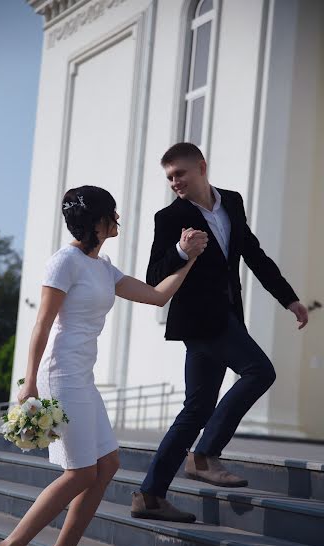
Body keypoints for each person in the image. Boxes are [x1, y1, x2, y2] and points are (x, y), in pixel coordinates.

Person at [0, 185, 208, 546]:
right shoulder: (64, 263)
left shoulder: (103, 267)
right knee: (80, 471)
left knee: (108, 463)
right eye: (112, 215)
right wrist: (28, 382)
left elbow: (155, 296)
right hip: (60, 374)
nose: (117, 220)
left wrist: (188, 258)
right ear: (97, 222)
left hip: (84, 375)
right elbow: (41, 325)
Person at [131, 142, 308, 522]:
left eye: (180, 173)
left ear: (201, 167)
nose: (175, 182)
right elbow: (153, 276)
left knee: (196, 409)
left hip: (226, 315)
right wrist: (180, 250)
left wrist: (288, 298)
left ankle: (150, 495)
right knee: (260, 370)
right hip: (198, 319)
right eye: (169, 177)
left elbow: (253, 255)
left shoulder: (232, 202)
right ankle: (205, 454)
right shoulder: (170, 217)